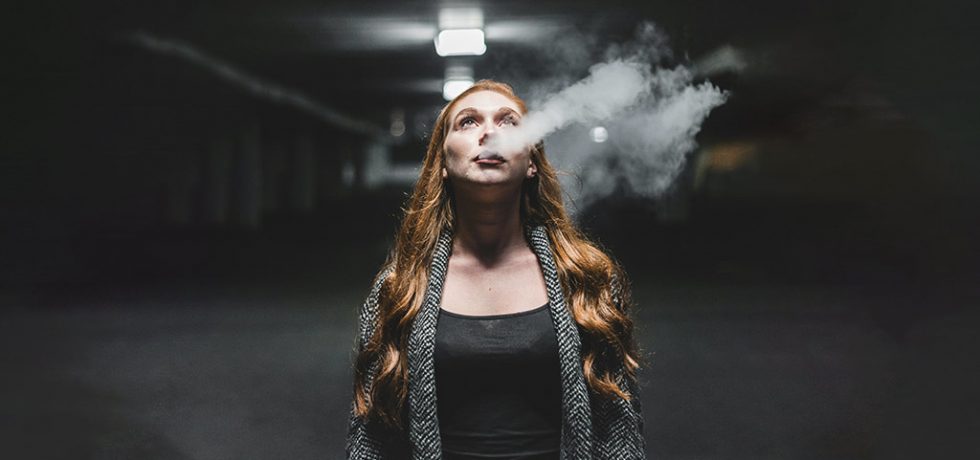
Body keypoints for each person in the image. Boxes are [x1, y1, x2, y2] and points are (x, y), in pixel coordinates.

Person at [346, 80, 647, 459]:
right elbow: (370, 434)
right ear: (441, 163)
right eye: (468, 122)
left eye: (509, 123)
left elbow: (620, 427)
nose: (489, 133)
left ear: (532, 163)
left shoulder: (587, 279)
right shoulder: (400, 288)